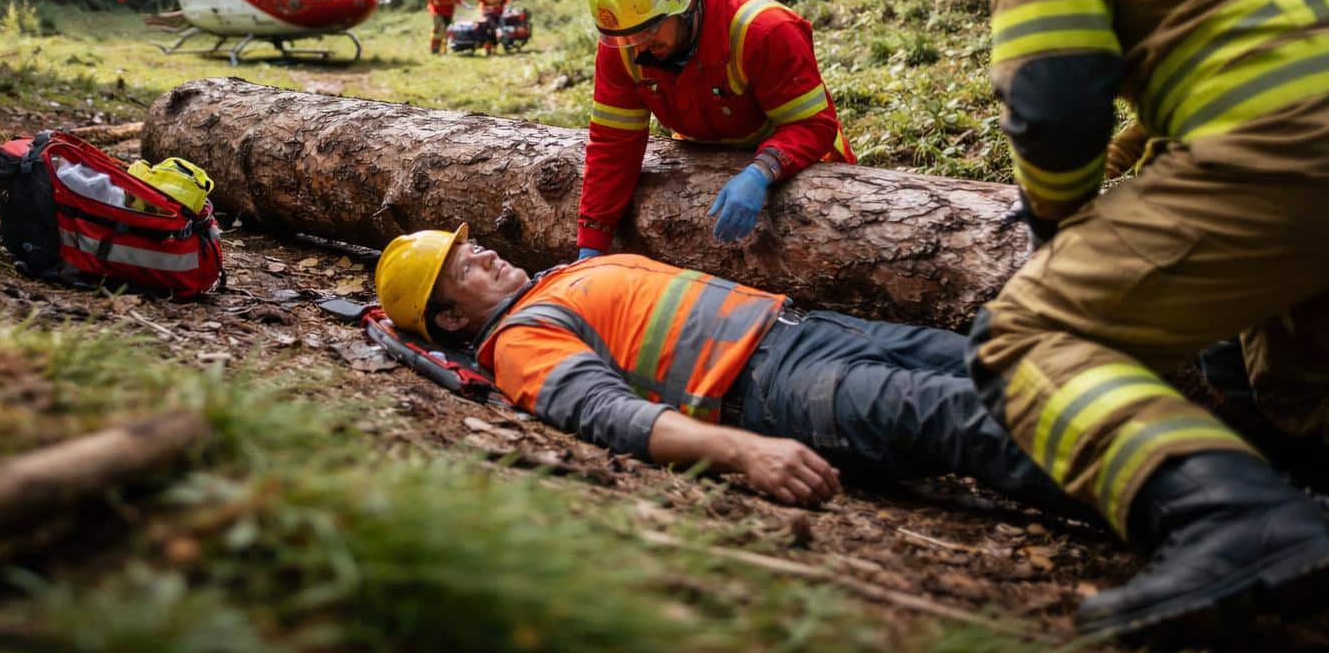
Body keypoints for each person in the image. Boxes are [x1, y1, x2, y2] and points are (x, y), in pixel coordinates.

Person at [914, 0, 1329, 643]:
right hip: (1291, 147)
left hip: (1292, 150)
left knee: (1026, 336)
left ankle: (1237, 523)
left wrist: (1058, 229)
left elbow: (1055, 106)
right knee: (1297, 380)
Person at [375, 224, 1090, 519]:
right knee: (969, 416)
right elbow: (608, 416)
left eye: (470, 248)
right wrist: (744, 452)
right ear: (450, 323)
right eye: (462, 269)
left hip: (812, 333)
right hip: (780, 394)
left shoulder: (554, 280)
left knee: (1001, 364)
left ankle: (1176, 435)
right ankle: (1174, 495)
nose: (484, 256)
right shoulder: (520, 341)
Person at [578, 0, 856, 257]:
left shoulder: (763, 30)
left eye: (649, 31)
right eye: (623, 37)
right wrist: (591, 245)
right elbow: (613, 146)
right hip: (710, 163)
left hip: (812, 167)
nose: (638, 47)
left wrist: (762, 171)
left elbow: (813, 125)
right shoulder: (624, 49)